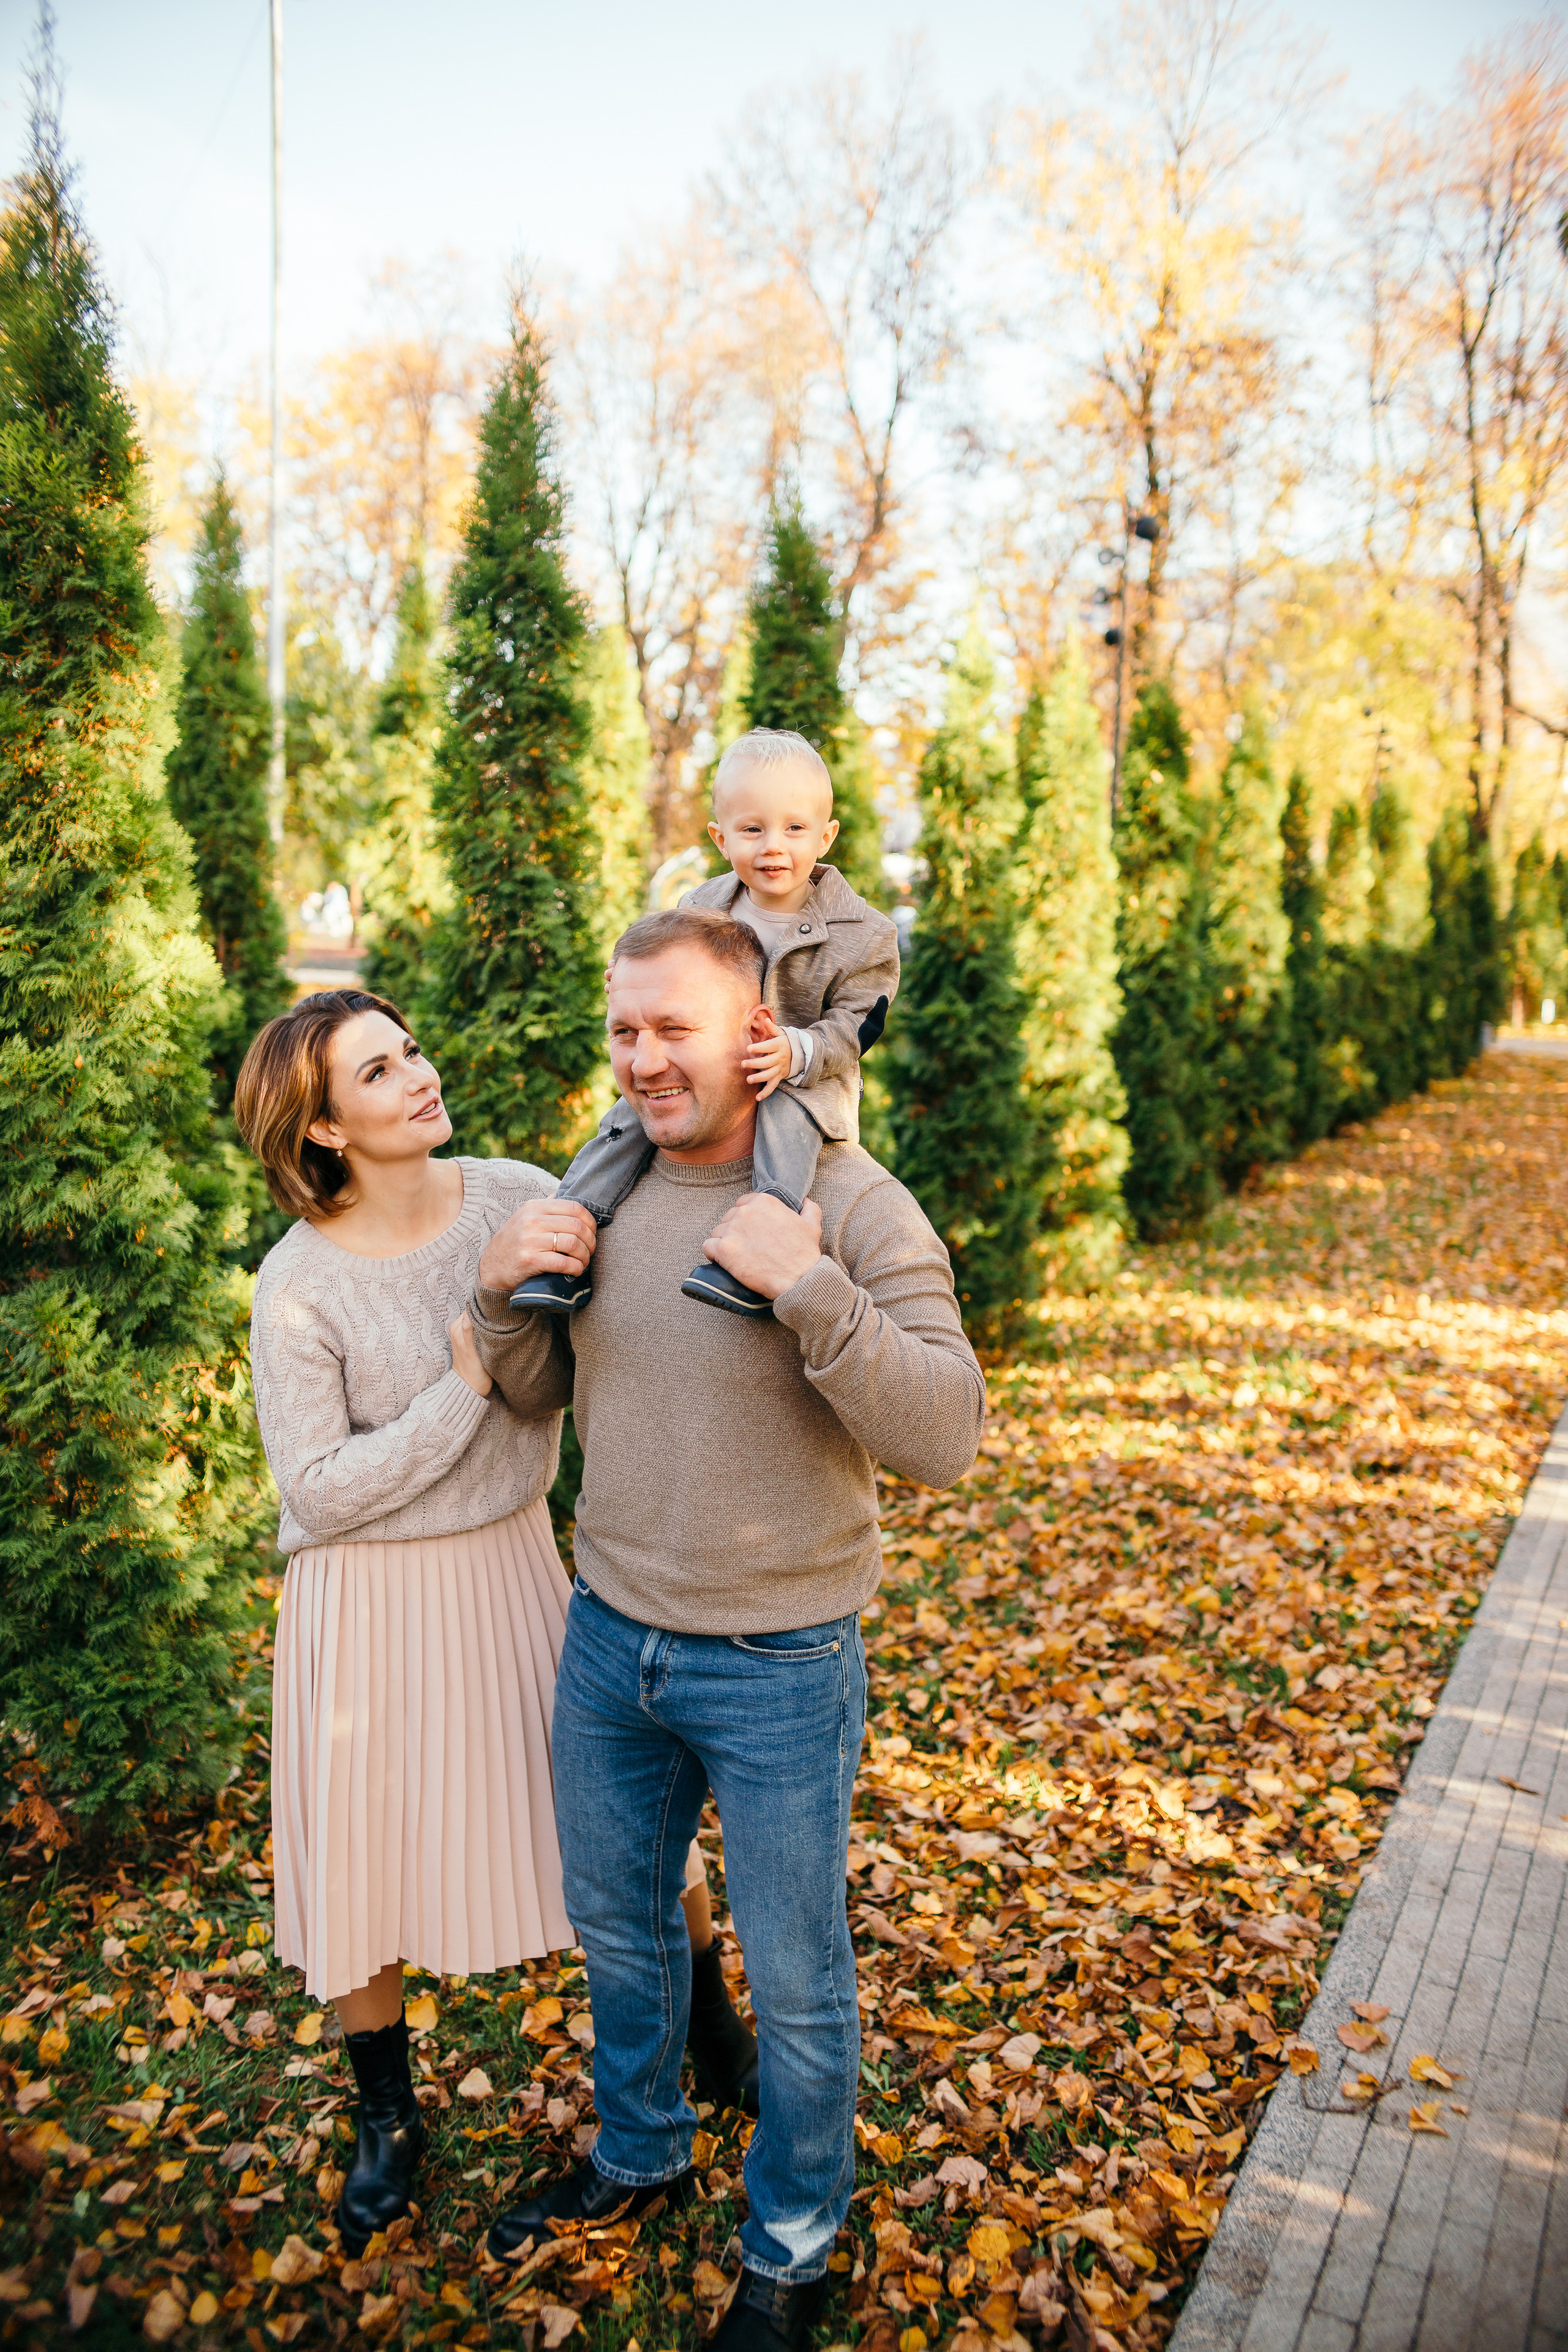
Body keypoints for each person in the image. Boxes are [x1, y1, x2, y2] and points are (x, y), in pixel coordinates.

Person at [467, 911, 986, 2352]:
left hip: (777, 1660)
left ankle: (791, 2247)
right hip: (608, 1638)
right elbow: (523, 1391)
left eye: (672, 1029)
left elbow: (947, 1430)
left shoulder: (850, 1199)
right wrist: (498, 1280)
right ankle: (635, 2151)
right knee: (622, 1938)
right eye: (623, 1029)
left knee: (798, 1975)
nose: (640, 1060)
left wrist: (807, 1287)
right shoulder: (603, 1185)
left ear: (755, 1034)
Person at [235, 989, 756, 2259]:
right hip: (362, 1605)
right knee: (362, 1863)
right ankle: (386, 2120)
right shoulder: (295, 1287)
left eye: (410, 1047)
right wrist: (466, 1376)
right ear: (321, 1131)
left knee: (631, 1822)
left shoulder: (511, 1194)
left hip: (521, 1571)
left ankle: (714, 2031)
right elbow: (317, 1491)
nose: (418, 1075)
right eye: (377, 1071)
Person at [513, 728, 900, 1320]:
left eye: (795, 829)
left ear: (827, 835)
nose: (774, 846)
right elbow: (657, 953)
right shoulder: (701, 905)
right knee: (622, 1125)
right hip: (706, 1066)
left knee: (785, 1131)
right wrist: (626, 974)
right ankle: (569, 1239)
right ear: (722, 838)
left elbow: (860, 1024)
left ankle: (752, 1252)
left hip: (798, 1079)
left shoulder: (864, 933)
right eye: (753, 829)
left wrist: (799, 1050)